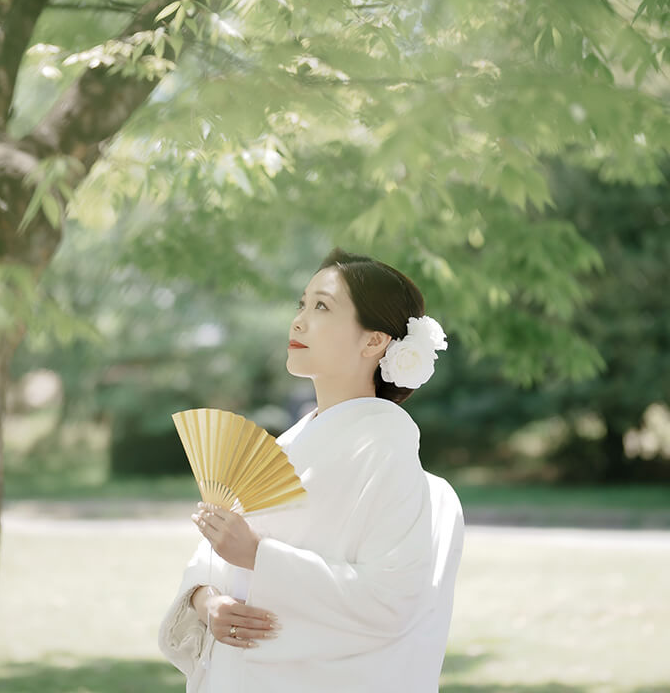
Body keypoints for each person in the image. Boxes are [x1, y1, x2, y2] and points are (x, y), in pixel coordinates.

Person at [158, 248, 465, 693]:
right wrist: (206, 601)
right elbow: (214, 563)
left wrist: (259, 556)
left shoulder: (384, 446)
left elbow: (392, 600)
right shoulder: (290, 442)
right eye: (301, 304)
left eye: (321, 306)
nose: (298, 321)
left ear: (374, 341)